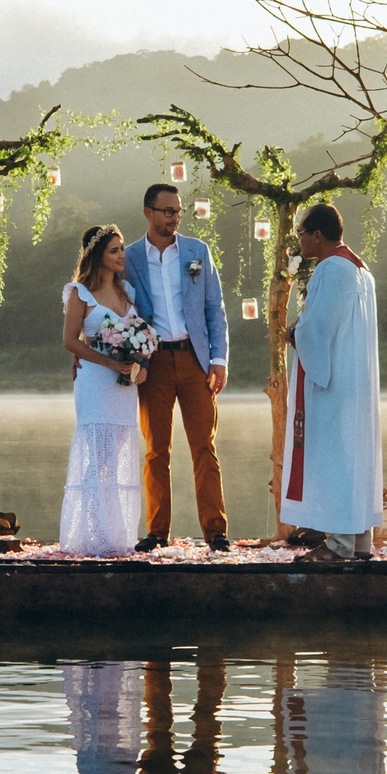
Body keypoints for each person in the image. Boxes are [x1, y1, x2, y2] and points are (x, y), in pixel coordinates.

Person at [124, 182, 232, 552]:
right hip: (152, 364)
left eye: (178, 211)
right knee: (157, 450)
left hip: (195, 359)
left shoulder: (196, 251)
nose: (174, 217)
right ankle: (156, 532)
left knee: (204, 446)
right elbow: (117, 309)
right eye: (167, 211)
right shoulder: (130, 257)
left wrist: (218, 359)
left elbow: (214, 308)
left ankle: (216, 531)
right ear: (148, 212)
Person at [281, 200, 382, 560]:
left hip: (334, 383)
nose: (299, 241)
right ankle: (359, 542)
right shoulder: (360, 269)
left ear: (318, 235)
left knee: (337, 457)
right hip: (357, 380)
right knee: (355, 458)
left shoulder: (331, 269)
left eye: (302, 234)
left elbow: (319, 326)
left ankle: (339, 546)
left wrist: (295, 332)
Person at [59, 224, 150, 556]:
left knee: (115, 457)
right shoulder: (79, 292)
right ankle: (91, 535)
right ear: (98, 256)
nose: (122, 255)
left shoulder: (128, 291)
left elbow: (136, 335)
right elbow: (70, 341)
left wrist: (138, 365)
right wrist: (109, 363)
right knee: (97, 457)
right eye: (114, 250)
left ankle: (117, 536)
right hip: (96, 382)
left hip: (124, 386)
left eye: (122, 248)